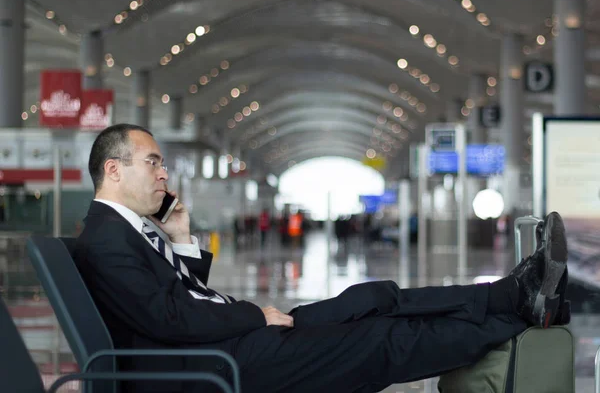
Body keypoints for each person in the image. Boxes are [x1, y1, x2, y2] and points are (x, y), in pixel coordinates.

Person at [74, 124, 570, 393]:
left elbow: (175, 299)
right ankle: (519, 319)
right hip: (219, 361)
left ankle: (510, 293)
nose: (163, 173)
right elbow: (169, 317)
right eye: (153, 162)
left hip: (228, 341)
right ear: (114, 170)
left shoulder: (124, 230)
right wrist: (254, 315)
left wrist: (181, 239)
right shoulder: (107, 237)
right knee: (377, 340)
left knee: (372, 297)